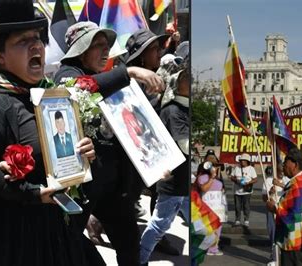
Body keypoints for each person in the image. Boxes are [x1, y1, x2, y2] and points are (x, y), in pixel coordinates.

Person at [0, 0, 97, 265]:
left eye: (37, 38)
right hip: (7, 237)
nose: (36, 46)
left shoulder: (47, 98)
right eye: (23, 41)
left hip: (49, 228)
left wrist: (85, 152)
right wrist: (31, 193)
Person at [54, 21, 164, 266]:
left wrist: (157, 161)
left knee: (129, 246)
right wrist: (130, 72)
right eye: (98, 45)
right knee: (68, 243)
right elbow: (77, 89)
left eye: (108, 46)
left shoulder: (107, 78)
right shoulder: (67, 74)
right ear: (81, 50)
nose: (106, 51)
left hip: (115, 187)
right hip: (84, 186)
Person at [140, 67, 190, 264]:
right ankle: (139, 258)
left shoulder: (182, 108)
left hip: (184, 182)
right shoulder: (173, 110)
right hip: (173, 182)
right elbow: (185, 145)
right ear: (178, 86)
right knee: (159, 224)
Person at [265, 148, 302, 266]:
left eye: (286, 162)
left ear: (295, 165)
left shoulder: (299, 185)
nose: (283, 165)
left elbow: (292, 213)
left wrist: (274, 208)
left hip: (295, 239)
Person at [262, 164, 290, 266]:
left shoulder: (288, 180)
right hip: (271, 210)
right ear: (276, 169)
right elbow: (264, 198)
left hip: (284, 210)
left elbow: (293, 190)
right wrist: (270, 192)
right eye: (280, 170)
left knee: (283, 234)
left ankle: (278, 256)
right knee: (273, 232)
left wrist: (279, 184)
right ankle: (274, 255)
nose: (282, 171)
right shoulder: (269, 180)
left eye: (284, 169)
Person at [197, 161, 225, 256]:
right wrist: (212, 178)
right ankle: (207, 249)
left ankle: (214, 248)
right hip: (207, 207)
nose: (216, 168)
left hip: (218, 208)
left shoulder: (218, 179)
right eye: (215, 166)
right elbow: (204, 189)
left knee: (218, 229)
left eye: (217, 167)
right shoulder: (202, 178)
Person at [230, 153, 257, 227]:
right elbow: (232, 177)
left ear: (247, 161)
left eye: (244, 160)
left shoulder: (251, 169)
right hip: (237, 191)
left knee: (246, 206)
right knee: (237, 206)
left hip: (247, 191)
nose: (242, 162)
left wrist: (248, 183)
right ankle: (237, 220)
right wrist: (236, 181)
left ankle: (246, 220)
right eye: (241, 160)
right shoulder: (236, 168)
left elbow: (255, 179)